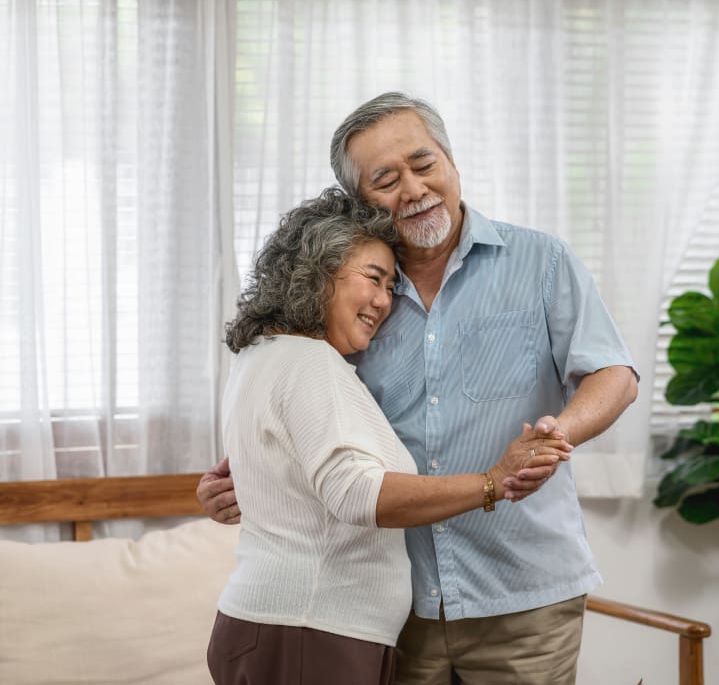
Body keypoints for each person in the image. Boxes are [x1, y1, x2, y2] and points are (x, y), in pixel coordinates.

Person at [199, 93, 639, 685]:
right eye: (385, 179)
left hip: (523, 594)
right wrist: (255, 478)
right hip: (398, 607)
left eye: (423, 163)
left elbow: (614, 373)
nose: (412, 188)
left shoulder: (542, 261)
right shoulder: (348, 299)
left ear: (452, 162)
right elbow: (305, 411)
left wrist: (562, 431)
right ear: (361, 201)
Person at [205, 186, 570, 685]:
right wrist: (492, 481)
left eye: (391, 287)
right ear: (316, 272)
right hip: (312, 632)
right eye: (374, 280)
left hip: (284, 626)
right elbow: (356, 494)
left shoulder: (261, 356)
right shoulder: (310, 362)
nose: (383, 302)